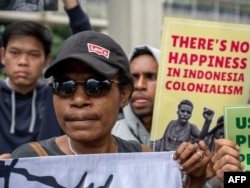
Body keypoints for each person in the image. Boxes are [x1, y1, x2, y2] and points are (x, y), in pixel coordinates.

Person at [3, 30, 211, 188]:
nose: (79, 99)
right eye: (64, 86)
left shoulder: (143, 158)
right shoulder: (29, 160)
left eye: (96, 86)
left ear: (124, 94)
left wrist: (195, 180)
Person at [0, 0, 92, 154]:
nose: (23, 62)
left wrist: (71, 5)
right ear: (2, 55)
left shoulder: (58, 96)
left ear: (47, 60)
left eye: (33, 54)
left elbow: (87, 48)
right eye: (15, 53)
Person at [112, 44, 160, 145]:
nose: (139, 85)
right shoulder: (109, 136)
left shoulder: (187, 140)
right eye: (133, 77)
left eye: (151, 76)